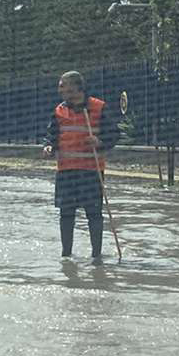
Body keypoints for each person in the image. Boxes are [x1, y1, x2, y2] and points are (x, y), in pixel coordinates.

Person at [42, 71, 120, 262]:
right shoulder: (59, 110)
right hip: (66, 170)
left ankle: (96, 255)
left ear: (76, 87)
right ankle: (66, 254)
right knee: (66, 213)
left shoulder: (99, 107)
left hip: (91, 170)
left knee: (94, 213)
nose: (60, 89)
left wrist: (99, 141)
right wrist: (49, 146)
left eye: (63, 85)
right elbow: (52, 134)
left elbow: (114, 135)